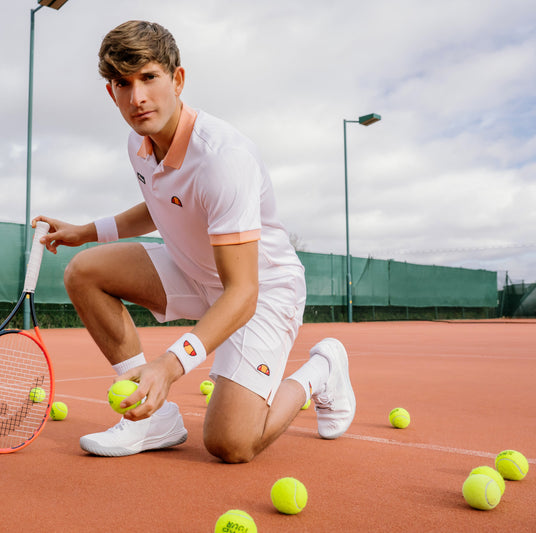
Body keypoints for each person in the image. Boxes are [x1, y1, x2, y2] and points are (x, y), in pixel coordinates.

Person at [33, 20, 355, 463]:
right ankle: (152, 419)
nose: (137, 97)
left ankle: (323, 369)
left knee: (231, 444)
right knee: (85, 271)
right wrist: (85, 232)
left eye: (149, 77)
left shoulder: (224, 160)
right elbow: (161, 203)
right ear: (111, 94)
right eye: (123, 84)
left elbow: (242, 292)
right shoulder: (139, 143)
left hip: (260, 292)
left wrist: (170, 364)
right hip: (193, 271)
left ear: (177, 79)